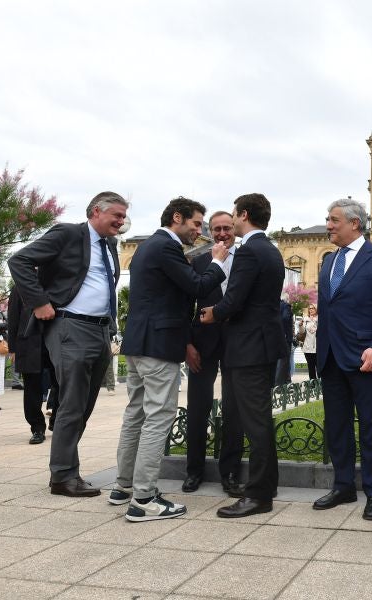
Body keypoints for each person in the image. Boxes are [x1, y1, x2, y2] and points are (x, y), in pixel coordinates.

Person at [113, 197, 228, 522]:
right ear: (177, 217)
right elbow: (197, 285)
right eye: (195, 223)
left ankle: (123, 486)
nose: (199, 230)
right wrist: (217, 261)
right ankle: (145, 498)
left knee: (135, 414)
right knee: (158, 417)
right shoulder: (165, 246)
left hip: (138, 343)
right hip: (158, 345)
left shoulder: (149, 247)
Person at [8, 192, 127, 497]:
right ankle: (62, 477)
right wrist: (39, 303)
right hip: (69, 326)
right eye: (116, 214)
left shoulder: (110, 245)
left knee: (83, 406)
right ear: (96, 212)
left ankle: (66, 470)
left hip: (100, 331)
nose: (121, 221)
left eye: (123, 216)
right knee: (72, 404)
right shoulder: (68, 233)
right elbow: (19, 260)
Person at [313, 198, 372, 521]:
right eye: (327, 218)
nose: (328, 224)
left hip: (368, 358)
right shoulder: (329, 262)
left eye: (334, 219)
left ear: (354, 223)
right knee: (337, 427)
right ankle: (343, 485)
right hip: (332, 357)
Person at [201, 193, 287, 518]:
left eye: (235, 215)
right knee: (259, 419)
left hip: (248, 346)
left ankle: (259, 495)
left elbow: (234, 299)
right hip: (260, 344)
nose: (233, 220)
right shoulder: (271, 249)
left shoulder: (250, 250)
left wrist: (213, 312)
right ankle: (268, 486)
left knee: (256, 422)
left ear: (244, 214)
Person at [182, 210, 245, 496]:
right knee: (197, 408)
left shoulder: (247, 259)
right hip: (201, 344)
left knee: (235, 409)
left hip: (237, 343)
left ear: (235, 229)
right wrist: (187, 344)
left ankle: (230, 472)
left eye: (227, 228)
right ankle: (193, 470)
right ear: (210, 231)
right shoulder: (197, 261)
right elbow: (183, 307)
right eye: (216, 229)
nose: (222, 234)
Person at [6, 287, 51, 443]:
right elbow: (12, 318)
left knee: (62, 383)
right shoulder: (19, 287)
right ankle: (37, 428)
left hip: (55, 341)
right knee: (32, 388)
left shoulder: (57, 280)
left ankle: (58, 420)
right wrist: (12, 348)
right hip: (28, 342)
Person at [275, 300, 294, 386]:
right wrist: (285, 332)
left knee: (284, 361)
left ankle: (287, 381)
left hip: (275, 337)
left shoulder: (274, 304)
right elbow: (285, 318)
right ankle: (278, 384)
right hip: (285, 338)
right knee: (283, 361)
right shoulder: (286, 306)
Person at [302, 304, 319, 380]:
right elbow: (301, 332)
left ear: (316, 309)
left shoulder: (319, 319)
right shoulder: (305, 319)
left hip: (317, 347)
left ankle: (321, 385)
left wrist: (314, 321)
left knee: (319, 367)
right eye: (309, 308)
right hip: (307, 347)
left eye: (313, 308)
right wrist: (300, 326)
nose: (311, 310)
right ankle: (312, 386)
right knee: (311, 367)